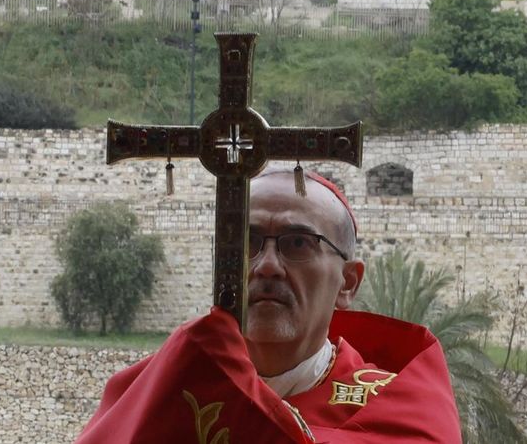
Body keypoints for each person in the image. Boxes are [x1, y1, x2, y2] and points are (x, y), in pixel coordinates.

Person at [77, 169, 461, 443]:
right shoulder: (159, 392)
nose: (266, 266)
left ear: (347, 283)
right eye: (247, 242)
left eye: (297, 243)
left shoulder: (400, 413)